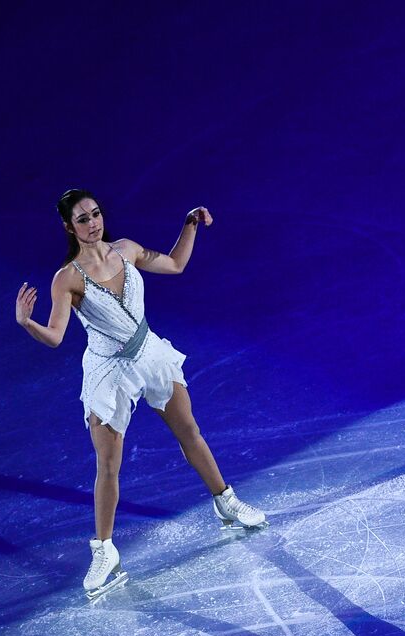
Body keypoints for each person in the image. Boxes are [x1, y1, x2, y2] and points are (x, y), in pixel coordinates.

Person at [15, 189, 267, 599]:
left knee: (190, 431)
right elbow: (57, 336)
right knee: (108, 465)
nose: (93, 223)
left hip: (149, 353)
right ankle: (105, 551)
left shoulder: (126, 250)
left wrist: (189, 224)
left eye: (95, 214)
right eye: (82, 219)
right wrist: (28, 323)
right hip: (108, 372)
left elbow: (175, 264)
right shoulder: (68, 278)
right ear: (68, 227)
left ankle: (226, 500)